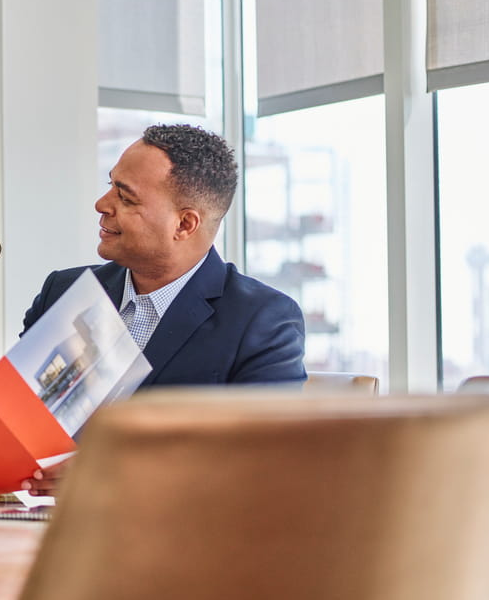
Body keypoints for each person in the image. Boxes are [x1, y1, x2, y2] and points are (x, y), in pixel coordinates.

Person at [19, 124, 306, 495]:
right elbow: (15, 415)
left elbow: (260, 460)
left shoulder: (262, 321)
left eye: (126, 198)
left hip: (176, 539)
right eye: (111, 185)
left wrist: (106, 473)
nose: (102, 204)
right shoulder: (63, 291)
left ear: (185, 224)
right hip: (28, 523)